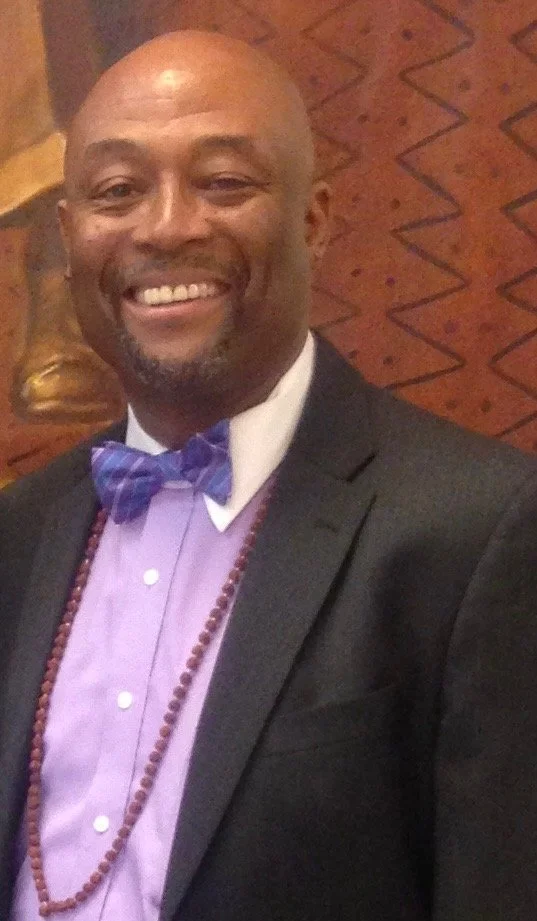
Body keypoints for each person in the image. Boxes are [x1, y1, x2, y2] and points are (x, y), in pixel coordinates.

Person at [1, 29, 537, 921]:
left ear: (313, 219)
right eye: (117, 191)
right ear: (69, 235)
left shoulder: (478, 528)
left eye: (223, 182)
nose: (167, 226)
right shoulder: (20, 532)